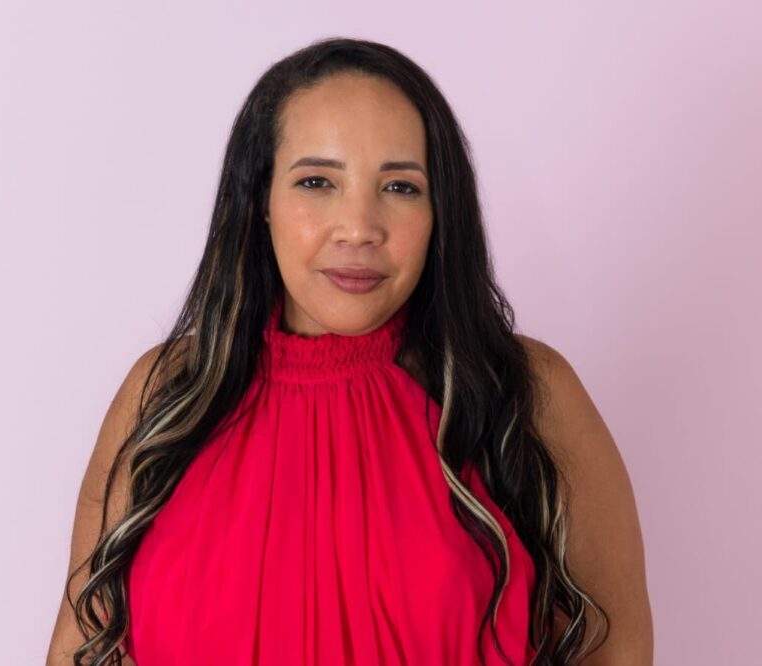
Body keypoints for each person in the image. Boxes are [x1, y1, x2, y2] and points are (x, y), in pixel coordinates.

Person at [46, 37, 652, 665]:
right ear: (260, 201)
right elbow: (79, 646)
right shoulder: (168, 393)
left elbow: (615, 648)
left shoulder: (524, 391)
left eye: (401, 187)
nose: (360, 228)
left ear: (441, 210)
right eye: (316, 182)